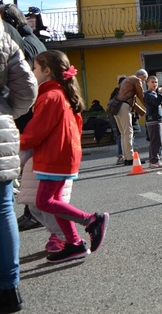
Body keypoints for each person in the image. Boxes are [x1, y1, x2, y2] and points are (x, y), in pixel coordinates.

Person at [21, 50, 109, 264]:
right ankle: (74, 243)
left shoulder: (50, 96)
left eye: (34, 68)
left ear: (47, 70)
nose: (32, 72)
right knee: (54, 200)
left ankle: (91, 220)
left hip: (54, 156)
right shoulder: (62, 93)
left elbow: (35, 133)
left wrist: (13, 141)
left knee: (44, 201)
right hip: (63, 155)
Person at [0, 20, 36, 314]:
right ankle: (8, 290)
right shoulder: (2, 35)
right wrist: (6, 111)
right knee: (2, 209)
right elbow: (26, 88)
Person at [113, 69, 147, 166]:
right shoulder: (136, 80)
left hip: (116, 107)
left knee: (123, 133)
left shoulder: (126, 81)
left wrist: (143, 112)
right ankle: (130, 158)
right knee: (128, 132)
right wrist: (149, 106)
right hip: (123, 107)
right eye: (144, 78)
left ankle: (127, 157)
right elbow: (141, 95)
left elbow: (133, 102)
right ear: (141, 75)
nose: (144, 81)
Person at [144, 75, 162, 169]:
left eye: (156, 82)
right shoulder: (148, 94)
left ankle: (154, 160)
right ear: (147, 83)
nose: (154, 84)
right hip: (153, 120)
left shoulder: (153, 93)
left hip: (156, 120)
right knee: (156, 141)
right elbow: (156, 102)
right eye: (152, 82)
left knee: (156, 141)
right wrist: (161, 93)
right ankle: (154, 161)